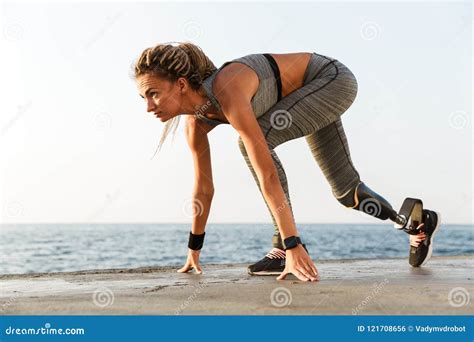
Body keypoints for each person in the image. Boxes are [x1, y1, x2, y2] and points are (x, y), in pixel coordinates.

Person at [133, 42, 441, 281]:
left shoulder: (228, 88)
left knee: (255, 142)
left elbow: (265, 170)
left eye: (153, 94)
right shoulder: (196, 123)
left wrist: (292, 244)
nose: (148, 107)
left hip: (329, 80)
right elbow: (203, 188)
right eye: (143, 98)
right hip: (304, 97)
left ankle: (283, 247)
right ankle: (416, 223)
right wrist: (193, 251)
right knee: (347, 193)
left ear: (182, 84)